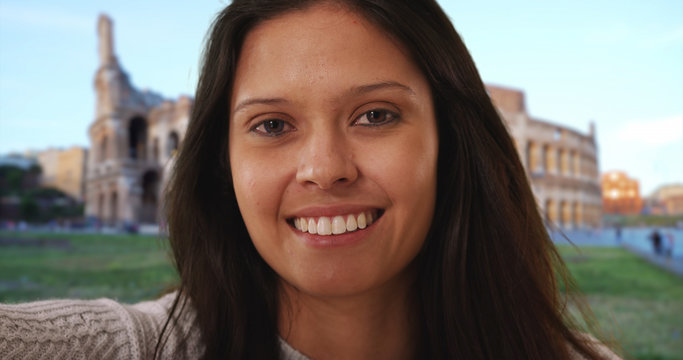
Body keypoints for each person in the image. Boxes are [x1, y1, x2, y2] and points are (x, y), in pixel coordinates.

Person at [0, 1, 619, 359]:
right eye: (272, 125)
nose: (325, 169)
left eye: (376, 115)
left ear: (451, 144)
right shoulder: (137, 347)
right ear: (223, 163)